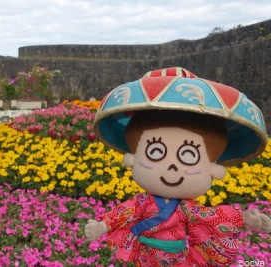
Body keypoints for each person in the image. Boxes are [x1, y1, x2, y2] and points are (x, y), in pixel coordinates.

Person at [84, 67, 271, 266]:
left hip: (176, 259)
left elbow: (212, 217)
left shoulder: (188, 208)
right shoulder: (141, 204)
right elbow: (122, 213)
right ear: (132, 158)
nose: (172, 167)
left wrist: (243, 218)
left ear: (214, 169)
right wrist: (101, 226)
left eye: (188, 155)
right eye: (156, 151)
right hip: (145, 257)